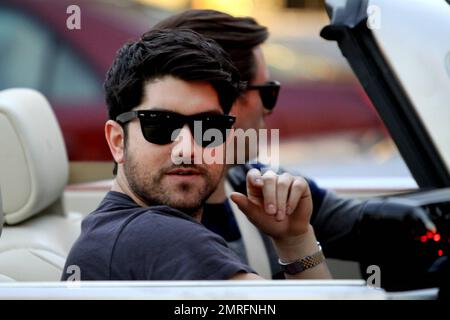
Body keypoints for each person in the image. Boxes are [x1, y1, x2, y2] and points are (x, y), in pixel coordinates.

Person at [153, 9, 437, 279]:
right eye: (267, 92)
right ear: (225, 100)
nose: (269, 109)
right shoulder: (157, 222)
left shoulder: (256, 184)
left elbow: (366, 226)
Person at [62, 28, 331, 280]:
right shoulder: (157, 237)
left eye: (209, 128)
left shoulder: (114, 234)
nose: (187, 149)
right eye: (160, 125)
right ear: (118, 141)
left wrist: (295, 240)